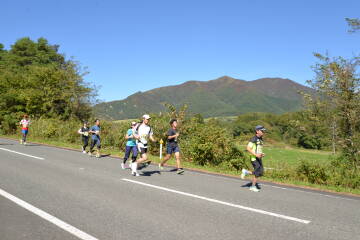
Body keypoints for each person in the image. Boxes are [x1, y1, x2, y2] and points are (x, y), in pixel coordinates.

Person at [241, 125, 266, 192]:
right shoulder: (253, 139)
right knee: (257, 172)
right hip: (254, 158)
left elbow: (258, 148)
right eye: (262, 130)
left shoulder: (261, 139)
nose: (263, 132)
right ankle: (252, 186)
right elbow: (248, 148)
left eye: (264, 130)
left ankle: (246, 172)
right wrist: (256, 155)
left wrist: (261, 154)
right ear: (257, 131)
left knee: (261, 172)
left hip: (258, 157)